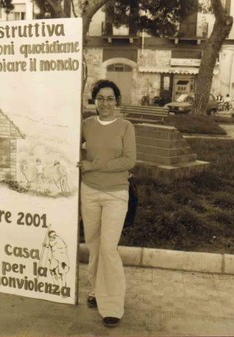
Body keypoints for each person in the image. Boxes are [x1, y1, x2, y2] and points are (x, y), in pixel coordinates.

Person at [78, 79, 136, 328]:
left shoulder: (125, 127)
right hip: (89, 191)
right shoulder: (86, 125)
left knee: (108, 248)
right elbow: (74, 149)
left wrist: (94, 165)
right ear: (94, 101)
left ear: (117, 101)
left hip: (115, 193)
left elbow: (129, 160)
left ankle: (112, 305)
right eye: (100, 98)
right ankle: (95, 291)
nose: (105, 103)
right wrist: (82, 162)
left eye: (110, 98)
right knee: (94, 245)